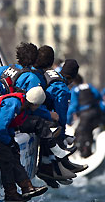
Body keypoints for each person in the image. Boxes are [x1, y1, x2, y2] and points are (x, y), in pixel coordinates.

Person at [0, 86, 48, 202]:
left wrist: (11, 141)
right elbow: (1, 126)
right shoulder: (13, 103)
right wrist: (8, 141)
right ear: (35, 104)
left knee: (14, 151)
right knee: (6, 153)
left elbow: (9, 125)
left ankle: (26, 186)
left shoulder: (23, 106)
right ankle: (11, 193)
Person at [33, 48, 86, 180]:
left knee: (55, 128)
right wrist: (62, 135)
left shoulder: (50, 73)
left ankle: (60, 166)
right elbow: (61, 116)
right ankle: (56, 167)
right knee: (57, 128)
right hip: (39, 116)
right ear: (70, 78)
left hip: (35, 111)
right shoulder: (62, 89)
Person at [67, 74, 102, 157]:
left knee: (80, 132)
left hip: (84, 113)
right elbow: (98, 96)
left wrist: (68, 120)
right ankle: (88, 150)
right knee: (89, 131)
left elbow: (73, 106)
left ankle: (81, 152)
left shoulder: (75, 90)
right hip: (95, 112)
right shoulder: (89, 86)